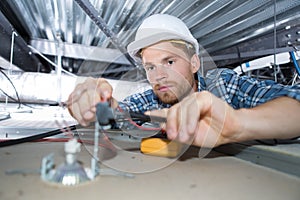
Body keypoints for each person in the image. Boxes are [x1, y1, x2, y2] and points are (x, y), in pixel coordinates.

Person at [67, 14, 300, 148]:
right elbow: (119, 113)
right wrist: (97, 103)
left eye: (169, 62)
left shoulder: (224, 85)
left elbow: (295, 101)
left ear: (195, 63)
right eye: (150, 67)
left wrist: (237, 124)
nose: (158, 76)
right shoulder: (150, 101)